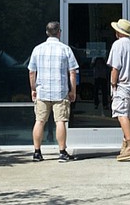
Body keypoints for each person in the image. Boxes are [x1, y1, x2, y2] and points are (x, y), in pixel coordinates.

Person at [27, 21, 79, 162]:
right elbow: (72, 72)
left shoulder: (37, 49)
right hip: (60, 91)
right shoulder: (65, 49)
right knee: (60, 121)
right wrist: (73, 90)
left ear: (47, 32)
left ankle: (37, 152)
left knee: (39, 121)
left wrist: (33, 89)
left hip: (42, 91)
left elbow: (32, 72)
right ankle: (62, 152)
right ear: (59, 32)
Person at [106, 18, 130, 162]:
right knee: (128, 116)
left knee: (121, 114)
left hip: (123, 85)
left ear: (118, 32)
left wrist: (112, 83)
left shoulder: (118, 44)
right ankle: (126, 145)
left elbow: (116, 67)